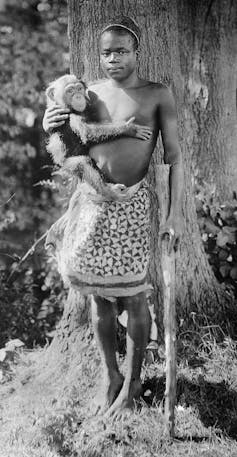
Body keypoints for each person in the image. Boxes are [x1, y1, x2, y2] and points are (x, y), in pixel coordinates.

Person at [43, 16, 184, 418]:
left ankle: (135, 381)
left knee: (134, 294)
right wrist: (48, 119)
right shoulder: (90, 94)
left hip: (133, 206)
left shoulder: (157, 94)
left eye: (121, 51)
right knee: (99, 297)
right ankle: (111, 376)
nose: (113, 59)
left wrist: (174, 215)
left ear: (136, 52)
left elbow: (174, 159)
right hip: (93, 203)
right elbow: (60, 119)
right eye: (106, 52)